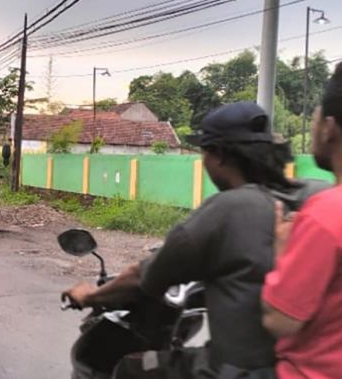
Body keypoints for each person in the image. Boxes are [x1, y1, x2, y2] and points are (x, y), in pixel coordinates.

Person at [62, 102, 325, 378]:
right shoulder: (314, 197)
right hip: (306, 367)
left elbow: (143, 279)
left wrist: (90, 295)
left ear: (220, 155)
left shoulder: (229, 209)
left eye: (204, 152)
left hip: (239, 372)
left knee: (131, 369)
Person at [262, 63, 342, 378]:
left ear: (329, 127)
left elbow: (280, 319)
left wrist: (282, 255)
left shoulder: (325, 214)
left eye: (315, 117)